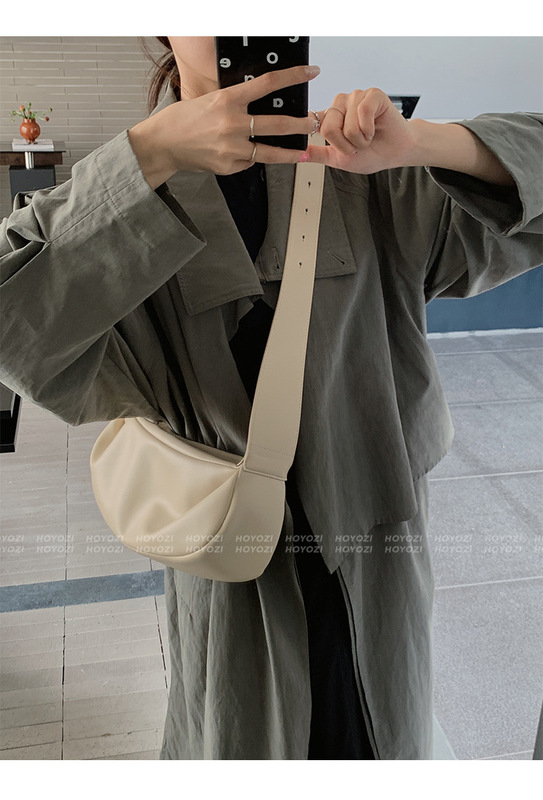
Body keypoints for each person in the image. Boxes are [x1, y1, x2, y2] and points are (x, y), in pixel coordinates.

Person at [1, 36, 541, 760]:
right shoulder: (125, 187)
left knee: (376, 735)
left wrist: (423, 141)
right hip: (226, 562)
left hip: (373, 552)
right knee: (241, 739)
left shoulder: (365, 169)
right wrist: (149, 156)